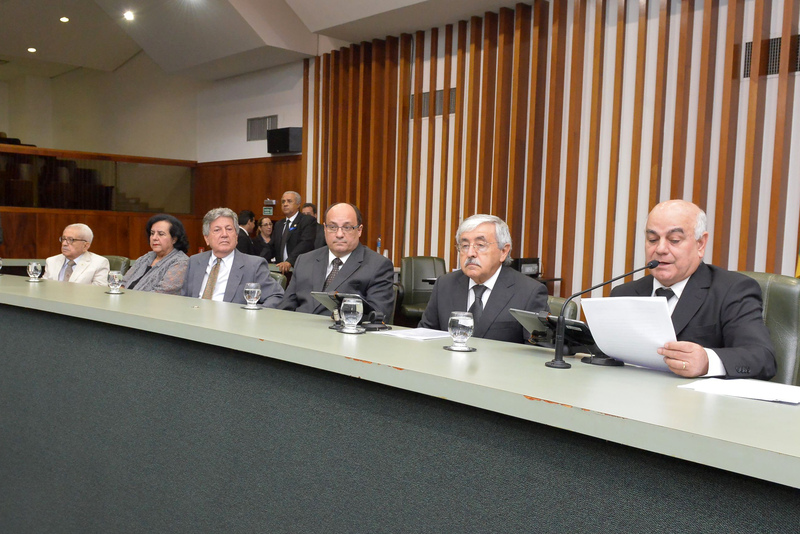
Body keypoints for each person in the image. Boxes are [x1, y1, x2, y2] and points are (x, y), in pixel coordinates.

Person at [610, 199, 776, 380]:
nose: (661, 249)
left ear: (700, 244)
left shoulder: (732, 291)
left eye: (674, 240)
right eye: (653, 240)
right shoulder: (623, 294)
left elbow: (762, 358)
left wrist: (707, 361)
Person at [418, 214, 548, 343]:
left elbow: (538, 349)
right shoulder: (444, 285)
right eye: (465, 245)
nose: (470, 253)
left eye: (480, 245)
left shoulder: (529, 292)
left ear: (503, 251)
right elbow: (425, 336)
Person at [278, 202, 395, 317]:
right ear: (325, 229)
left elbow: (377, 317)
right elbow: (285, 308)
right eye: (333, 227)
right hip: (299, 327)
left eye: (347, 227)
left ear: (359, 230)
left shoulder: (378, 266)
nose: (339, 234)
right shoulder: (304, 260)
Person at [181, 207, 284, 307]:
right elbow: (184, 299)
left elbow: (276, 296)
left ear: (236, 236)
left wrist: (251, 315)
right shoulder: (194, 261)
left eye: (229, 229)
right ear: (206, 238)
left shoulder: (253, 266)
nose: (224, 234)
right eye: (217, 230)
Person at [122, 214, 190, 294]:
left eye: (161, 234)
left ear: (174, 239)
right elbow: (122, 283)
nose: (154, 238)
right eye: (152, 233)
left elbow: (161, 293)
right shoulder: (146, 257)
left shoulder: (181, 262)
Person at [262, 191, 316, 274]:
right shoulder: (279, 224)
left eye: (289, 201)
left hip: (301, 270)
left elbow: (305, 244)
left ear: (298, 204)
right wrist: (259, 259)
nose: (285, 204)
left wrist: (289, 261)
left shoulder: (307, 221)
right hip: (281, 271)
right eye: (283, 201)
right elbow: (271, 246)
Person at [42, 223, 109, 286]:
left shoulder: (99, 263)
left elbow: (98, 291)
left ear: (85, 246)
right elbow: (43, 287)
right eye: (63, 239)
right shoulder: (51, 261)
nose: (64, 243)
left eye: (71, 240)